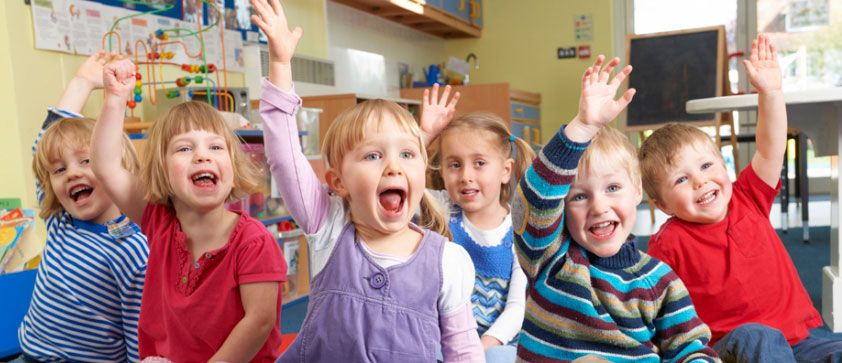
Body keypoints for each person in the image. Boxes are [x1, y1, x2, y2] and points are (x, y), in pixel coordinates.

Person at [250, 0, 483, 361]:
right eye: (373, 156)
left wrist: (416, 139)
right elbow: (284, 157)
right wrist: (280, 66)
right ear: (338, 182)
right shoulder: (329, 227)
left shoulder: (447, 261)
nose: (392, 167)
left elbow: (463, 349)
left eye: (407, 155)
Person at [640, 34, 842, 362]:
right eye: (681, 179)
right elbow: (654, 307)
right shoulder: (668, 243)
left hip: (800, 342)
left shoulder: (748, 196)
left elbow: (770, 146)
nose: (700, 181)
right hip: (732, 348)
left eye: (706, 165)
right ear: (661, 205)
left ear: (723, 165)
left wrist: (771, 92)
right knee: (758, 337)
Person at [513, 55, 719, 362]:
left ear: (637, 190)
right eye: (579, 197)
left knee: (754, 339)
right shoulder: (550, 260)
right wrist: (581, 128)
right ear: (562, 207)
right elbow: (532, 201)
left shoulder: (660, 279)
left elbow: (688, 347)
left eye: (612, 188)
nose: (599, 206)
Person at [91, 58, 287, 362]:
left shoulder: (253, 242)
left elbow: (259, 322)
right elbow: (105, 166)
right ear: (163, 170)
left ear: (232, 166)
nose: (202, 157)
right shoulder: (159, 221)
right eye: (184, 148)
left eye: (216, 147)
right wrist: (115, 100)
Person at [16, 50, 149, 362]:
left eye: (86, 161)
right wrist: (82, 83)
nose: (71, 173)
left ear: (115, 167)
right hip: (29, 355)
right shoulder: (60, 220)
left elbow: (139, 330)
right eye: (60, 171)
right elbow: (44, 145)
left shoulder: (133, 247)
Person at [420, 84, 534, 363]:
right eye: (455, 165)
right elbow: (402, 181)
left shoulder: (520, 230)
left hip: (497, 342)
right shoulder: (441, 209)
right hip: (445, 339)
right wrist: (424, 136)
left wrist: (479, 348)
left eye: (479, 163)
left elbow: (517, 308)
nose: (466, 176)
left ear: (505, 171)